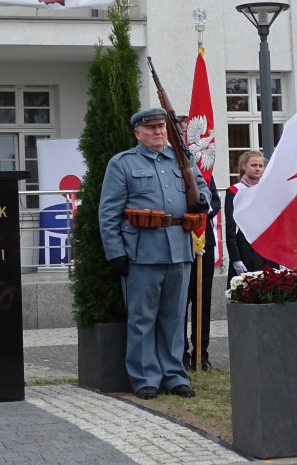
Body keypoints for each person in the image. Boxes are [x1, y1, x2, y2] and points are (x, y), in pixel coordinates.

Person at [99, 107, 209, 399]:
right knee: (142, 317)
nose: (158, 132)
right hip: (142, 250)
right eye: (151, 128)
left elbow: (202, 187)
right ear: (138, 133)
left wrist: (201, 202)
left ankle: (174, 375)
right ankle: (145, 376)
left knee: (174, 318)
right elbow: (108, 213)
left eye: (161, 127)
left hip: (179, 247)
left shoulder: (182, 157)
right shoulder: (122, 163)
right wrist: (115, 253)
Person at [177, 116, 221, 372]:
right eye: (181, 132)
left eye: (187, 132)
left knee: (202, 302)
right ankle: (180, 354)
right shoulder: (171, 164)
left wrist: (201, 212)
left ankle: (200, 355)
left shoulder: (203, 168)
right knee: (179, 303)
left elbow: (214, 201)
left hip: (203, 242)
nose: (185, 136)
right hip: (180, 240)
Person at [225, 150, 279, 286]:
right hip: (245, 247)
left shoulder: (268, 190)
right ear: (244, 166)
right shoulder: (235, 191)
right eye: (254, 165)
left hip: (268, 246)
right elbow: (230, 230)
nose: (258, 169)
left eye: (261, 166)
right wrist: (235, 258)